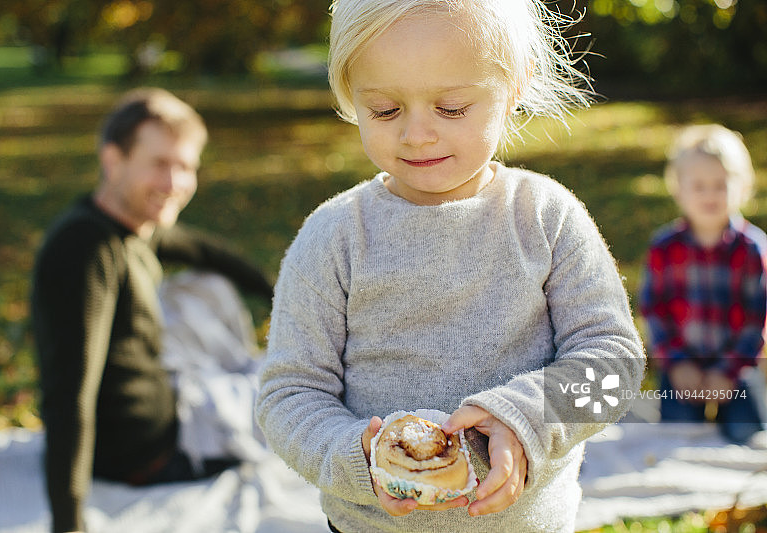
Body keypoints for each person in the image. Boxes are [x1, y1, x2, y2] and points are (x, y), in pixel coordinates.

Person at [255, 1, 646, 531]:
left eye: (453, 108)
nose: (417, 134)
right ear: (350, 97)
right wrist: (355, 458)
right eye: (386, 110)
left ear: (514, 87)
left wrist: (528, 415)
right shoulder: (334, 237)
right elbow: (288, 394)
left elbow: (612, 367)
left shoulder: (546, 219)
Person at [31, 87, 274, 533]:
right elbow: (68, 394)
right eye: (160, 164)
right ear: (113, 160)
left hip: (165, 402)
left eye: (186, 167)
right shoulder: (85, 250)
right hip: (147, 454)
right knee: (288, 401)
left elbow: (204, 249)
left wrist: (277, 294)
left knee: (207, 283)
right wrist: (69, 523)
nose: (175, 184)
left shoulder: (131, 225)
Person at [639, 123, 767, 444]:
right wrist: (677, 365)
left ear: (742, 187)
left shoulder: (753, 249)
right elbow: (654, 311)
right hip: (682, 367)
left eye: (720, 185)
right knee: (678, 437)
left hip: (735, 370)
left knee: (747, 437)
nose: (710, 194)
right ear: (679, 189)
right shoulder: (664, 248)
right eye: (699, 186)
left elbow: (757, 318)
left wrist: (728, 371)